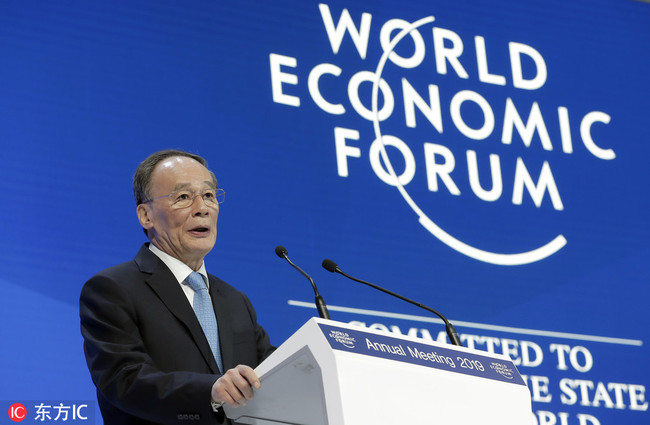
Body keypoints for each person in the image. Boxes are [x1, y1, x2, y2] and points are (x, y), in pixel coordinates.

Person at [80, 149, 275, 425]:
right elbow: (123, 380)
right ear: (146, 215)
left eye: (209, 195)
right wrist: (210, 391)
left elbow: (272, 371)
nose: (202, 208)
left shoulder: (235, 300)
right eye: (183, 197)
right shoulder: (112, 289)